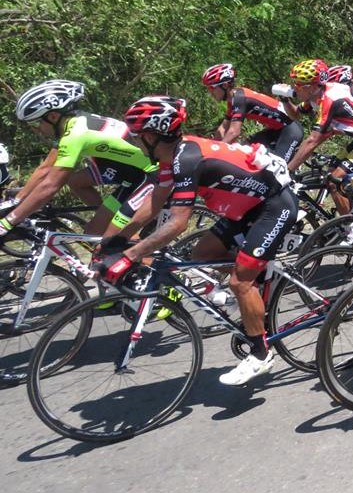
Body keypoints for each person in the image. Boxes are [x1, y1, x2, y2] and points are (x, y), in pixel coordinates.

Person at [101, 96, 298, 385]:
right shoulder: (172, 157)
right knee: (203, 253)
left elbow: (178, 222)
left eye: (138, 137)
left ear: (153, 136)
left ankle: (260, 353)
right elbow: (155, 202)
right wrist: (117, 239)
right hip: (246, 208)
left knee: (239, 281)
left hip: (273, 206)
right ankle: (259, 283)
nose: (135, 143)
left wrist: (130, 256)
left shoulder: (187, 159)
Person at [1, 80, 157, 239]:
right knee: (95, 231)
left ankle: (144, 255)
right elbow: (45, 169)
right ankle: (117, 224)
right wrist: (17, 201)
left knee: (115, 239)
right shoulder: (74, 124)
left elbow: (50, 186)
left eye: (36, 122)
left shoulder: (76, 135)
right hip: (133, 173)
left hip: (154, 173)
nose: (35, 129)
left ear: (53, 116)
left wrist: (7, 222)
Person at [280, 59, 353, 244]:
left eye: (298, 84)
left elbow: (313, 140)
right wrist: (284, 99)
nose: (295, 87)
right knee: (331, 175)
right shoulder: (316, 95)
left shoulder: (330, 99)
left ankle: (350, 229)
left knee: (333, 179)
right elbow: (295, 114)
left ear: (312, 86)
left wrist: (286, 170)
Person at [201, 63, 304, 162]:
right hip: (275, 130)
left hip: (290, 129)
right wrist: (210, 148)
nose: (210, 92)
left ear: (225, 85)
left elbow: (234, 132)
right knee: (245, 150)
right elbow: (223, 128)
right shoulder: (233, 99)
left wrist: (216, 152)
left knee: (279, 169)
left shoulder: (239, 98)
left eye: (211, 88)